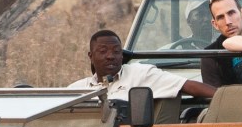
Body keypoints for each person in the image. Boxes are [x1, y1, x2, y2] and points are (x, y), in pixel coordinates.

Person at [70, 28, 214, 101]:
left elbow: (187, 86)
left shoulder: (141, 74)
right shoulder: (77, 89)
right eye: (103, 51)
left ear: (122, 55)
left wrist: (225, 97)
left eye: (116, 51)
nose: (110, 56)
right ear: (91, 56)